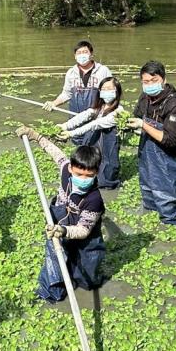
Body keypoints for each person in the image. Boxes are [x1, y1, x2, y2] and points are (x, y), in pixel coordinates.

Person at [16, 125, 106, 302]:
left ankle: (82, 278)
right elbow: (55, 152)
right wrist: (35, 135)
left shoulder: (94, 199)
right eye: (79, 174)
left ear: (96, 173)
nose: (84, 179)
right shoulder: (65, 168)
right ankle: (53, 292)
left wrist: (64, 231)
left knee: (87, 274)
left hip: (82, 232)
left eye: (89, 176)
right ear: (71, 168)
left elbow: (83, 230)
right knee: (55, 257)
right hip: (59, 217)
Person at [126, 61, 176, 225]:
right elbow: (138, 116)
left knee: (166, 193)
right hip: (147, 153)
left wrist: (143, 125)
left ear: (164, 79)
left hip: (168, 158)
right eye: (145, 82)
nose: (149, 85)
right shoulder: (144, 98)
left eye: (153, 81)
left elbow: (169, 140)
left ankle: (170, 223)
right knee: (147, 188)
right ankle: (150, 216)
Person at [58, 75, 125, 188]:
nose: (106, 92)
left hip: (108, 145)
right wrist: (65, 126)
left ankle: (108, 186)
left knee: (107, 173)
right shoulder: (98, 108)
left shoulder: (119, 111)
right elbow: (83, 116)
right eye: (103, 89)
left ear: (116, 91)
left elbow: (96, 124)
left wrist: (71, 133)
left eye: (109, 89)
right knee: (89, 164)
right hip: (94, 142)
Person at [43, 40, 113, 144]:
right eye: (79, 53)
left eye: (85, 52)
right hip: (76, 117)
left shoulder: (103, 71)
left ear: (91, 54)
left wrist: (107, 111)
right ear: (75, 56)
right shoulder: (71, 73)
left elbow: (111, 94)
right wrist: (54, 103)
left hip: (96, 117)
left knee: (97, 148)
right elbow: (67, 94)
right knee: (79, 149)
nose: (82, 55)